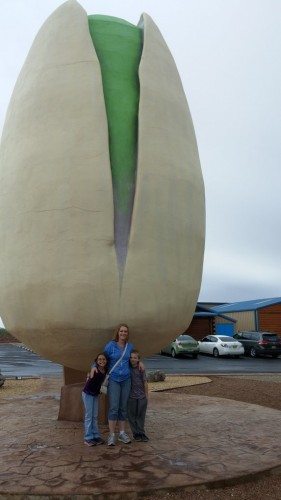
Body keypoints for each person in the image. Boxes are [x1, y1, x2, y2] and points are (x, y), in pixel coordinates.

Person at [82, 352, 108, 447]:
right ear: (96, 361)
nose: (102, 361)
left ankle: (95, 436)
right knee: (89, 416)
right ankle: (88, 438)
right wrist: (91, 372)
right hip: (88, 393)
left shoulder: (105, 370)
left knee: (94, 416)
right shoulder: (95, 369)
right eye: (99, 359)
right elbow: (91, 374)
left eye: (103, 359)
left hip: (95, 394)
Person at [127, 349, 149, 442]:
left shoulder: (141, 369)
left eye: (135, 358)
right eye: (131, 357)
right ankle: (135, 433)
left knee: (141, 415)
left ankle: (141, 432)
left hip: (141, 396)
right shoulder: (127, 368)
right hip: (131, 396)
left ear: (138, 359)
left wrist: (146, 395)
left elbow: (145, 382)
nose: (133, 359)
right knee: (132, 416)